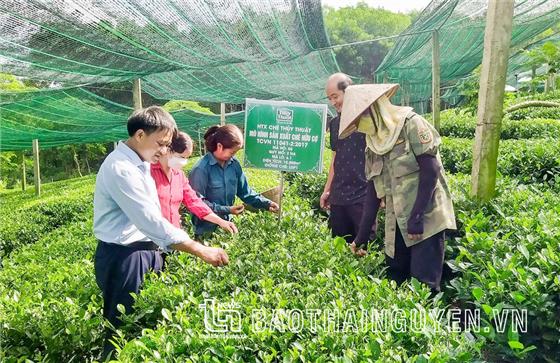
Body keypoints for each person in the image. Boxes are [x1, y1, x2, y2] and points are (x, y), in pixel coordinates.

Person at [93, 106, 229, 359]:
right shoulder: (121, 168)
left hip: (148, 251)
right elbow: (150, 222)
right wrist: (200, 249)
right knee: (120, 332)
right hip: (125, 258)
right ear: (140, 135)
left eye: (167, 145)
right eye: (161, 143)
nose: (164, 150)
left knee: (145, 329)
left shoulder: (139, 163)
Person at [339, 84, 456, 293]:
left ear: (374, 110)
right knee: (395, 277)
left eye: (359, 119)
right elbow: (373, 192)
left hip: (426, 218)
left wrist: (417, 217)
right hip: (398, 220)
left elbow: (431, 171)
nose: (359, 126)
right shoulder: (373, 143)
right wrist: (361, 238)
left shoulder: (412, 124)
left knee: (424, 287)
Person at [151, 131, 238, 265]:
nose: (184, 162)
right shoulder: (148, 172)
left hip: (173, 240)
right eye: (181, 157)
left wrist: (221, 221)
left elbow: (194, 202)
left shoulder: (178, 175)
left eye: (187, 158)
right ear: (168, 150)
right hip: (151, 241)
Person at [189, 124, 279, 239]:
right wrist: (227, 209)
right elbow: (198, 204)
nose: (233, 156)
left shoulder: (234, 165)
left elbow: (245, 192)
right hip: (206, 231)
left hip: (228, 227)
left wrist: (267, 203)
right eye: (232, 152)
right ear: (220, 146)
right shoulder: (201, 169)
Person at [321, 73, 375, 244]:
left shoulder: (368, 120)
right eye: (330, 98)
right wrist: (327, 189)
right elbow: (335, 157)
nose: (333, 102)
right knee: (340, 249)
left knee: (363, 248)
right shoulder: (335, 124)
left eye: (335, 96)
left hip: (363, 195)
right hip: (338, 197)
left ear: (349, 92)